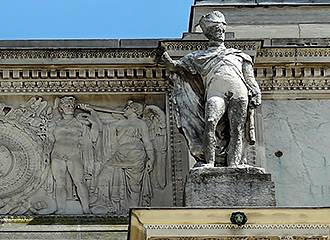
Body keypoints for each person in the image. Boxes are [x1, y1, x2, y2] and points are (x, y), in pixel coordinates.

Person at [162, 11, 261, 167]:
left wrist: (256, 93)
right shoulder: (198, 56)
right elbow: (178, 68)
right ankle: (209, 162)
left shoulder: (240, 55)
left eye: (221, 29)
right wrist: (168, 61)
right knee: (210, 121)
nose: (220, 32)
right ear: (208, 33)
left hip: (239, 92)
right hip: (216, 93)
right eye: (216, 29)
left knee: (237, 128)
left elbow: (250, 79)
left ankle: (235, 163)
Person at [96, 101, 154, 214]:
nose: (124, 109)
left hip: (135, 154)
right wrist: (92, 113)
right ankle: (111, 205)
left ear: (134, 110)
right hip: (120, 154)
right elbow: (103, 129)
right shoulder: (121, 123)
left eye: (127, 108)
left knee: (134, 185)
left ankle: (135, 211)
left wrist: (152, 159)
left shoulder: (140, 123)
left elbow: (147, 142)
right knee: (103, 175)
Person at [49, 96, 99, 214]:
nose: (70, 107)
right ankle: (61, 208)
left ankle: (86, 209)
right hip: (57, 154)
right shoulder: (55, 123)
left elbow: (94, 137)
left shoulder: (80, 121)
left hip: (73, 154)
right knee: (59, 183)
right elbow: (49, 139)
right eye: (67, 105)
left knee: (79, 181)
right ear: (61, 108)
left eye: (71, 105)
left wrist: (94, 121)